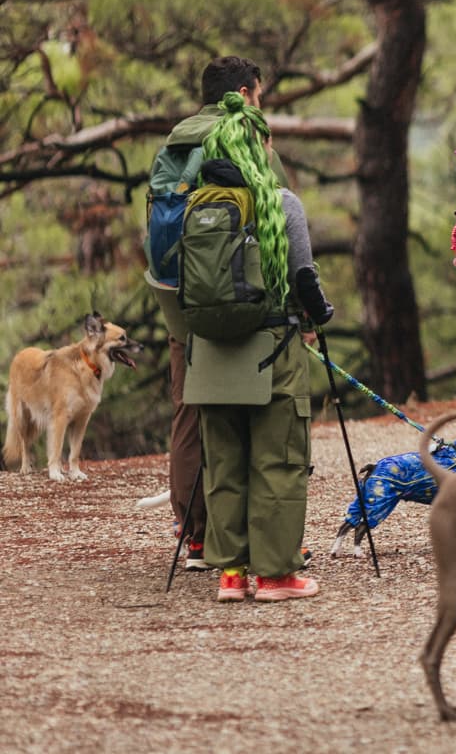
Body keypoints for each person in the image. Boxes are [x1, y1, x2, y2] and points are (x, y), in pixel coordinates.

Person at [187, 92, 333, 602]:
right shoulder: (280, 203)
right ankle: (275, 576)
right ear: (259, 148)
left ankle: (231, 576)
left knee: (223, 462)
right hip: (272, 347)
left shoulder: (195, 207)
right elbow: (303, 276)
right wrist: (320, 316)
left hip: (208, 353)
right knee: (278, 459)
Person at [144, 56, 288, 572]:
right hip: (234, 291)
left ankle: (195, 534)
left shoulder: (174, 141)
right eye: (261, 96)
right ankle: (253, 540)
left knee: (189, 407)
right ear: (247, 93)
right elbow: (281, 215)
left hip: (174, 289)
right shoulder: (246, 134)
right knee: (250, 413)